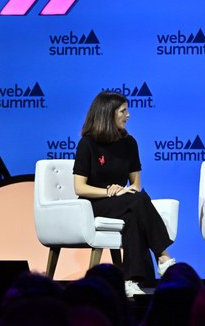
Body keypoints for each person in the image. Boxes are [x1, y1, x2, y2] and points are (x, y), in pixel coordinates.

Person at [73, 91, 175, 297]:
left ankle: (130, 281)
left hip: (125, 202)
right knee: (136, 203)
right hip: (95, 203)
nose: (128, 115)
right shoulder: (88, 144)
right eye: (123, 111)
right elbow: (79, 188)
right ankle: (163, 256)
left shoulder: (130, 143)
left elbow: (136, 185)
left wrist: (121, 191)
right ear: (107, 114)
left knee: (133, 215)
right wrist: (109, 192)